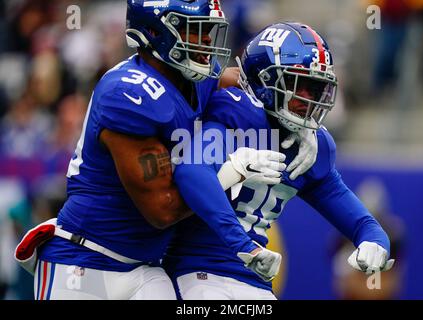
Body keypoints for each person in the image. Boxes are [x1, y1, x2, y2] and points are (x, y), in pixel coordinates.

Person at [14, 0, 287, 300]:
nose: (208, 40)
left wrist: (304, 126)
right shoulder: (127, 93)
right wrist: (229, 173)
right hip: (87, 260)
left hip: (145, 268)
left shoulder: (194, 77)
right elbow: (162, 209)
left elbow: (251, 87)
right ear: (156, 32)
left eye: (209, 30)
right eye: (195, 31)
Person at [163, 22, 395, 300]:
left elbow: (360, 222)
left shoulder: (311, 147)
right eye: (298, 84)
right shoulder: (237, 115)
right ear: (264, 82)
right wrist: (243, 243)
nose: (306, 99)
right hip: (197, 270)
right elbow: (192, 172)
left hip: (253, 280)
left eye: (315, 87)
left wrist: (376, 242)